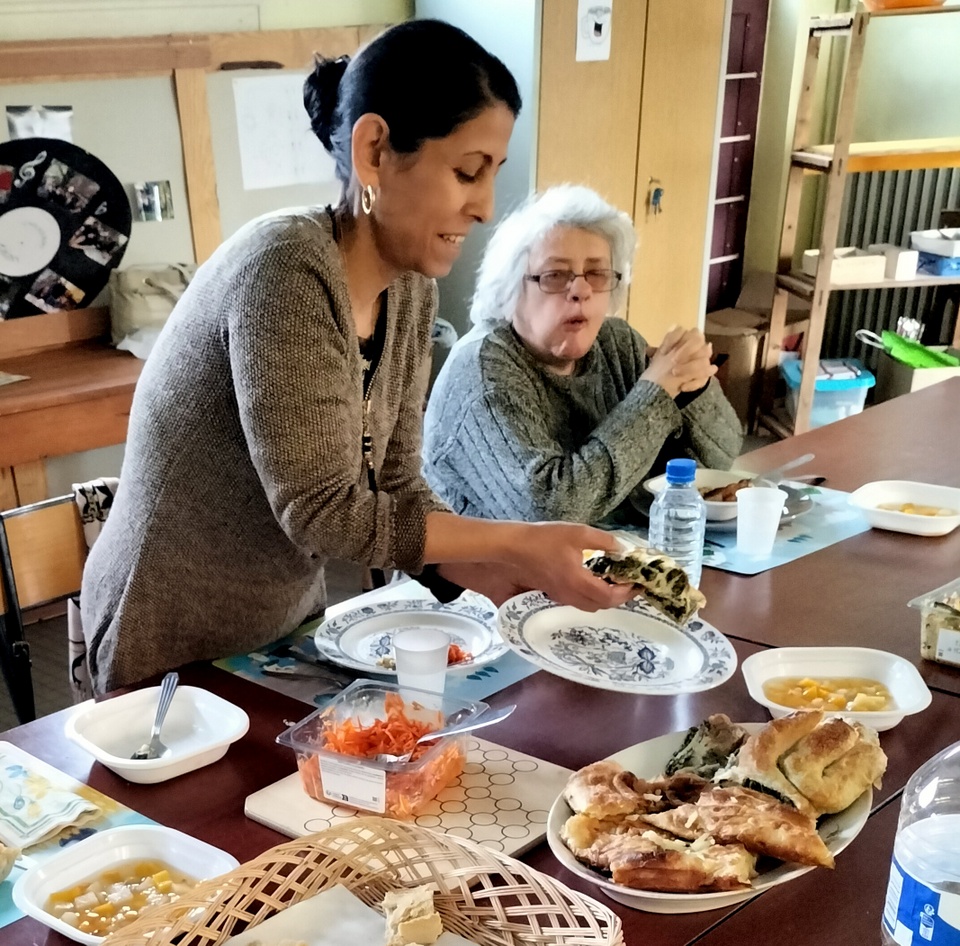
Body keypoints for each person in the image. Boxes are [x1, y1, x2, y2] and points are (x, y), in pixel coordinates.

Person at [80, 22, 633, 695]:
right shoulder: (284, 269)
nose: (485, 207)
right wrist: (509, 541)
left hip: (280, 630)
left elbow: (398, 481)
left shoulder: (411, 291)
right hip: (167, 639)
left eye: (493, 175)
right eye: (467, 171)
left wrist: (476, 573)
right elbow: (322, 509)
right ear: (374, 151)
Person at [423, 184, 743, 525]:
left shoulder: (616, 344)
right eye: (555, 275)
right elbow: (551, 512)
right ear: (510, 289)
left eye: (596, 273)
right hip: (485, 575)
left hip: (612, 557)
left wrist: (691, 387)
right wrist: (656, 395)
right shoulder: (483, 371)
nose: (581, 291)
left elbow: (719, 460)